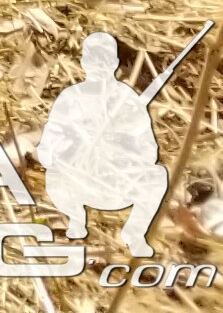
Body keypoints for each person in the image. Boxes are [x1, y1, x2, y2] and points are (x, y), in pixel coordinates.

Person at [35, 32, 167, 256]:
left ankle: (134, 233)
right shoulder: (70, 98)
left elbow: (149, 151)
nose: (99, 66)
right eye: (94, 60)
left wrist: (123, 142)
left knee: (158, 175)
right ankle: (75, 221)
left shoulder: (128, 98)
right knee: (54, 175)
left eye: (105, 60)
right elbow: (47, 149)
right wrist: (74, 144)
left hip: (119, 184)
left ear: (115, 63)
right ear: (84, 63)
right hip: (79, 183)